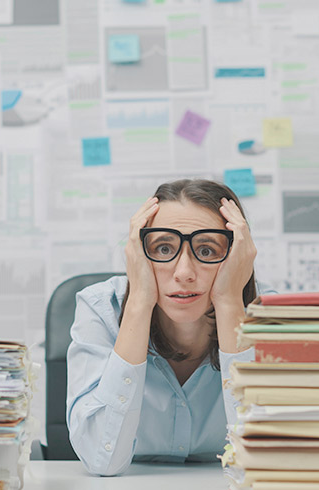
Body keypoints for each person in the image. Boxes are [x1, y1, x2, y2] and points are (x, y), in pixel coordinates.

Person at [66, 178, 258, 476]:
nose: (184, 273)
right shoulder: (100, 308)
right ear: (139, 254)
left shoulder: (268, 319)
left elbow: (264, 462)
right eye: (164, 247)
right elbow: (101, 461)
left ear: (236, 257)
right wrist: (140, 300)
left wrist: (231, 302)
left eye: (206, 250)